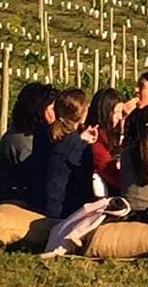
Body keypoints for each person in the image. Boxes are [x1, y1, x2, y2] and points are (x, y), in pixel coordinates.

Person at [26, 88, 96, 219]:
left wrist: (80, 140)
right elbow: (84, 187)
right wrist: (84, 144)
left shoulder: (41, 133)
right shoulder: (79, 148)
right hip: (62, 212)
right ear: (84, 112)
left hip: (36, 203)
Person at [0, 82, 55, 205]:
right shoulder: (23, 141)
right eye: (52, 109)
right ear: (40, 111)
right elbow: (42, 175)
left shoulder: (25, 134)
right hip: (12, 201)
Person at [86, 87, 125, 196]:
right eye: (116, 112)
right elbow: (110, 172)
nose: (120, 117)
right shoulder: (96, 139)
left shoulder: (112, 136)